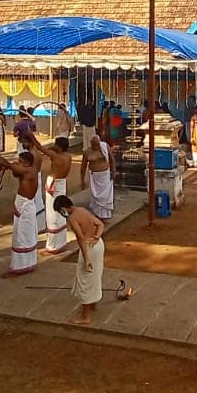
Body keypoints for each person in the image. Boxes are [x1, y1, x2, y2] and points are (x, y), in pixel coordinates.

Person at [0, 149, 41, 277]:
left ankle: (18, 268)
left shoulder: (28, 171)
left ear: (27, 163)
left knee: (21, 237)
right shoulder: (30, 169)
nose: (18, 163)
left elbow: (7, 165)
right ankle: (27, 264)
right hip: (25, 205)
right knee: (25, 236)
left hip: (25, 206)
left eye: (20, 162)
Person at [55, 195, 104, 325]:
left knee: (85, 280)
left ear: (63, 208)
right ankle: (94, 304)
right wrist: (97, 236)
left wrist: (86, 258)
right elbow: (100, 224)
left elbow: (80, 238)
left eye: (60, 211)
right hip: (98, 245)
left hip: (89, 248)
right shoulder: (82, 210)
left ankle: (86, 317)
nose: (61, 214)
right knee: (95, 275)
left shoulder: (72, 218)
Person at [27, 135, 71, 254]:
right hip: (62, 184)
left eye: (57, 145)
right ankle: (61, 243)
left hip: (54, 184)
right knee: (60, 212)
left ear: (60, 147)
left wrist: (32, 137)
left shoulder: (56, 156)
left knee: (52, 213)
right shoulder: (68, 156)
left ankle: (53, 246)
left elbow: (40, 147)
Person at [81, 133, 116, 220]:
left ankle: (105, 215)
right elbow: (83, 167)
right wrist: (82, 180)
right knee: (95, 196)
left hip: (105, 176)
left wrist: (113, 171)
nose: (95, 146)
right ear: (91, 143)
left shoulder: (105, 147)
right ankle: (96, 214)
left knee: (105, 196)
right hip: (94, 177)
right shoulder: (87, 152)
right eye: (94, 144)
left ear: (99, 143)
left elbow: (112, 160)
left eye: (97, 144)